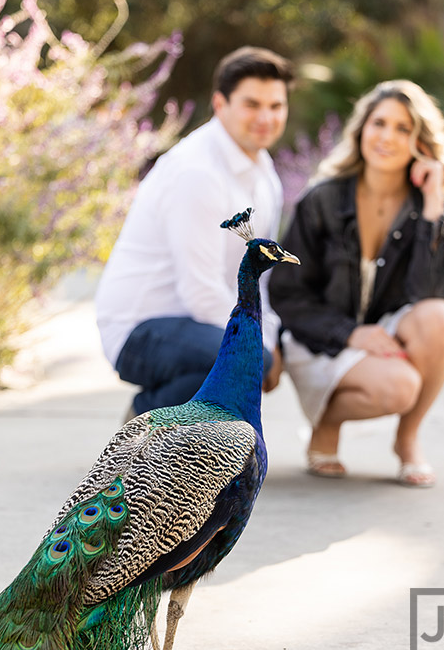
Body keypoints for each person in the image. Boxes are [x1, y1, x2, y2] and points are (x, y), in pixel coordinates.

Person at [269, 80, 444, 487]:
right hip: (321, 339)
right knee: (400, 388)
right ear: (362, 130)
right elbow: (287, 293)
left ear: (420, 143)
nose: (387, 137)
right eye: (380, 123)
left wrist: (432, 205)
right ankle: (327, 423)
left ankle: (407, 439)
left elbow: (432, 291)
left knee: (441, 319)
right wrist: (350, 334)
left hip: (385, 333)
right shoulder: (321, 200)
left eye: (403, 128)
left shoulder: (435, 207)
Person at [95, 46, 295, 417]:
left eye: (276, 106)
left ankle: (181, 436)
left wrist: (272, 336)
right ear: (220, 104)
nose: (266, 117)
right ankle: (145, 422)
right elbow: (199, 291)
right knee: (248, 358)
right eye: (252, 104)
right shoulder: (197, 172)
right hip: (140, 329)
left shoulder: (263, 170)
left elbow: (257, 276)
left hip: (191, 327)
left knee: (255, 355)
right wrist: (262, 346)